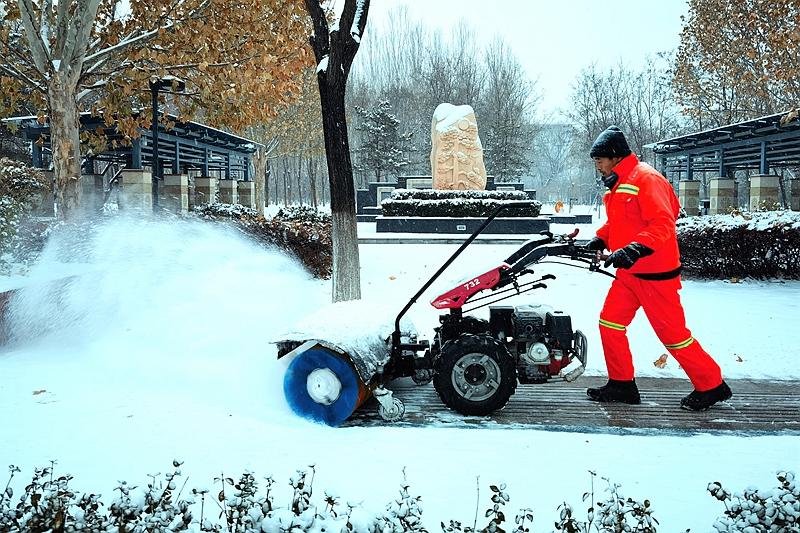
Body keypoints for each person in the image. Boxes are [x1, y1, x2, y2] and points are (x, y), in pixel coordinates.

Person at [584, 125, 732, 411]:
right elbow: (620, 221)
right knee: (610, 324)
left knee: (674, 337)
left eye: (599, 160)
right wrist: (601, 238)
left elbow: (663, 223)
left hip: (655, 276)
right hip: (628, 274)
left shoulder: (647, 179)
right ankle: (622, 384)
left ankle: (712, 385)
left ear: (615, 156)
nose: (597, 167)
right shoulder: (621, 182)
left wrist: (635, 249)